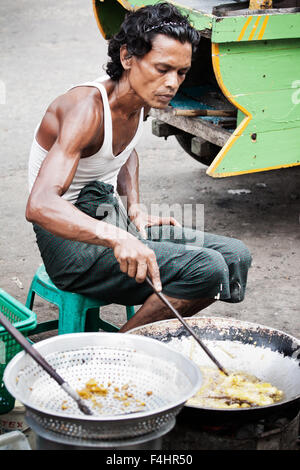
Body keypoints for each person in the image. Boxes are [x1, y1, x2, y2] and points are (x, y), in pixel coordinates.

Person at [26, 2, 252, 333]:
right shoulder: (85, 110)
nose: (173, 83)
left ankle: (128, 340)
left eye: (181, 72)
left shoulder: (142, 99)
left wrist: (134, 209)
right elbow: (40, 204)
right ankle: (117, 351)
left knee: (234, 256)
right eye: (162, 69)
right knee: (206, 269)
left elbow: (125, 152)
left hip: (108, 215)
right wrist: (116, 237)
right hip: (68, 242)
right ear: (128, 57)